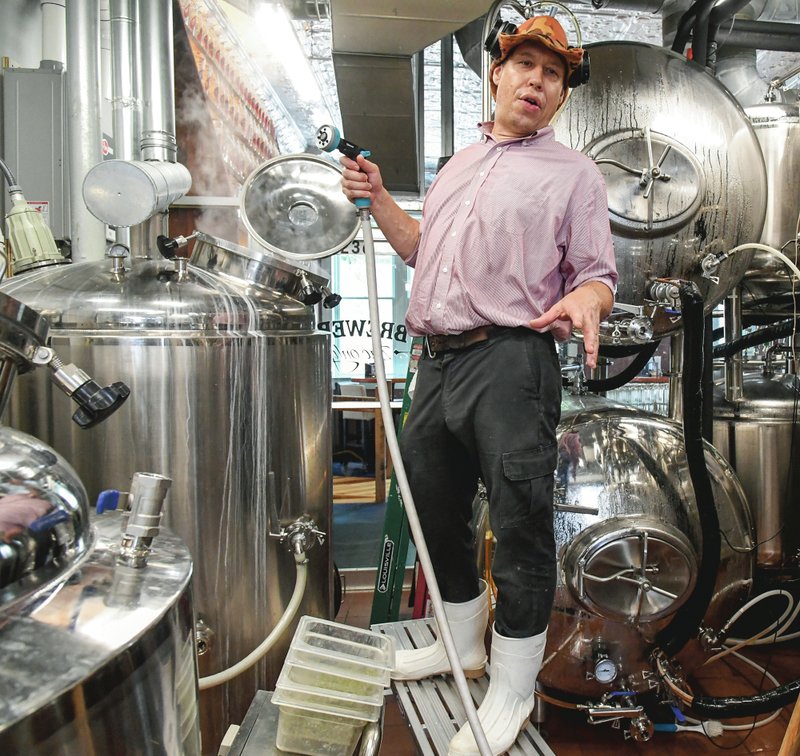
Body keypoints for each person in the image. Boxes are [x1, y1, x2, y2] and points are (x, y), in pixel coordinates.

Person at [340, 15, 617, 755]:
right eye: (524, 65)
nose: (535, 81)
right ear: (496, 75)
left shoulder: (575, 176)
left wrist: (588, 300)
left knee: (521, 526)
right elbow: (422, 251)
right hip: (434, 361)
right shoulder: (458, 166)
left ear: (561, 94)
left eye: (552, 73)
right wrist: (377, 195)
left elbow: (596, 275)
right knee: (434, 509)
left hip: (510, 362)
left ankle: (511, 689)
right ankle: (459, 646)